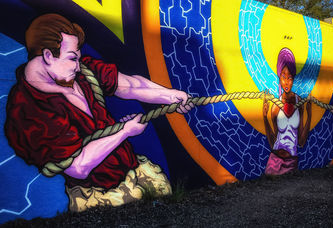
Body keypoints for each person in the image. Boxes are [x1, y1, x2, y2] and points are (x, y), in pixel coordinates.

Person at [5, 14, 194, 212]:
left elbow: (129, 85)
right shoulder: (27, 110)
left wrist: (170, 96)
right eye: (72, 58)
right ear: (48, 56)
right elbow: (78, 167)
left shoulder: (83, 73)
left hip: (137, 171)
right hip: (98, 198)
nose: (77, 66)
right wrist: (124, 132)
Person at [263, 48, 312, 175]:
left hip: (291, 162)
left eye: (290, 77)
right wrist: (264, 117)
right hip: (274, 161)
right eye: (283, 77)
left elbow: (301, 142)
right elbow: (273, 142)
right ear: (279, 77)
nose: (286, 82)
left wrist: (310, 115)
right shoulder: (275, 107)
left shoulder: (299, 102)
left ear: (294, 78)